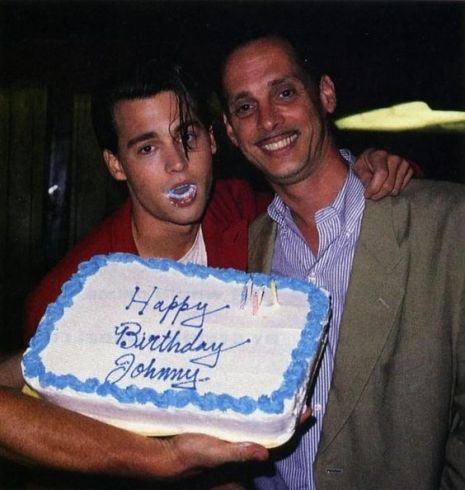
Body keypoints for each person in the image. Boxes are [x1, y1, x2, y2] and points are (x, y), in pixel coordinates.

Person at [2, 58, 414, 484]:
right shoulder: (70, 294)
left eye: (187, 136)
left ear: (213, 140)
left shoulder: (243, 213)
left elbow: (333, 201)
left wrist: (383, 169)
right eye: (147, 148)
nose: (177, 163)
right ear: (115, 165)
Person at [218, 30, 465, 489]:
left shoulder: (447, 225)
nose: (268, 120)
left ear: (325, 94)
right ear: (232, 133)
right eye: (245, 107)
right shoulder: (244, 251)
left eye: (285, 93)